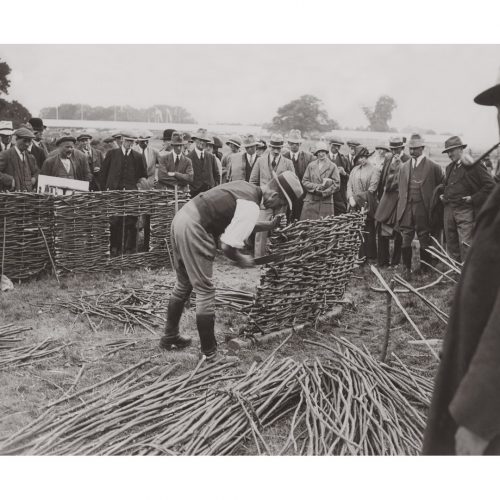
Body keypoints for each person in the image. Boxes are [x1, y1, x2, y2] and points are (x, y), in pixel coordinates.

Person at [422, 70, 500, 456]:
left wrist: (479, 415)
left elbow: (486, 190)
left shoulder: (475, 168)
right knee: (457, 251)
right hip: (469, 362)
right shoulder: (455, 169)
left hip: (485, 409)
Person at [158, 171, 304, 361]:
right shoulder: (251, 205)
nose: (280, 208)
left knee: (184, 284)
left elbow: (238, 221)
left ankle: (170, 337)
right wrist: (242, 259)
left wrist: (269, 226)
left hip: (182, 219)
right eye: (282, 203)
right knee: (205, 290)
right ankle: (210, 354)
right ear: (275, 195)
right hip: (195, 227)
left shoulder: (246, 188)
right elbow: (227, 246)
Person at [439, 136, 495, 262]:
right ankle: (454, 272)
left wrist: (473, 198)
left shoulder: (474, 165)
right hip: (449, 210)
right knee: (451, 242)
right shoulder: (449, 168)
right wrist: (444, 194)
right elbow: (448, 185)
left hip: (465, 211)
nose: (449, 154)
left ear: (460, 149)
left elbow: (491, 186)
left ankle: (466, 274)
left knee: (466, 244)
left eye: (451, 151)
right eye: (447, 152)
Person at [396, 133, 444, 276]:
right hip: (407, 207)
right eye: (410, 149)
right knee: (406, 236)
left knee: (424, 237)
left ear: (422, 148)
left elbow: (440, 186)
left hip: (423, 208)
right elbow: (401, 188)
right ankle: (407, 268)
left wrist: (435, 203)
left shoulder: (433, 167)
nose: (411, 152)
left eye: (415, 149)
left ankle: (424, 268)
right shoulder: (404, 167)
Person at [100, 132, 147, 255]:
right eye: (127, 141)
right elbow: (103, 173)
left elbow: (142, 174)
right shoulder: (112, 154)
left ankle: (128, 248)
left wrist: (136, 186)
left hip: (130, 193)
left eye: (132, 141)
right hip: (115, 193)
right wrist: (106, 190)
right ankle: (114, 247)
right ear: (122, 140)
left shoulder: (137, 156)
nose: (129, 143)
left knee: (130, 220)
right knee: (115, 220)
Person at [249, 133, 295, 258]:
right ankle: (259, 259)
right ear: (269, 146)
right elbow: (252, 182)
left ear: (282, 148)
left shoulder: (288, 163)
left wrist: (284, 201)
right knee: (261, 231)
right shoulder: (260, 161)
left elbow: (293, 184)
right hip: (264, 203)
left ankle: (277, 259)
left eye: (278, 148)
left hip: (281, 204)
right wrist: (258, 198)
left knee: (280, 231)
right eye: (273, 148)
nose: (275, 151)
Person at [375, 137, 410, 268]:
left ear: (402, 148)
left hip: (400, 199)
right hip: (386, 197)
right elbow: (383, 178)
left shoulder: (407, 160)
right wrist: (380, 196)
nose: (395, 151)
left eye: (397, 149)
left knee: (398, 231)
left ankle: (395, 262)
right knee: (382, 227)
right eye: (393, 149)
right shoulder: (388, 159)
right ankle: (382, 261)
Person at [347, 146, 380, 263]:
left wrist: (356, 198)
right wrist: (350, 197)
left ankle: (369, 256)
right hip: (354, 204)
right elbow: (349, 185)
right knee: (356, 228)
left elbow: (372, 190)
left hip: (367, 204)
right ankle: (358, 254)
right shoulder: (354, 170)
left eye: (364, 157)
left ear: (367, 157)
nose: (362, 160)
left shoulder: (374, 170)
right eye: (359, 157)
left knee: (368, 229)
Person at [300, 142, 340, 220]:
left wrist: (324, 192)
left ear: (326, 152)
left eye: (323, 152)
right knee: (307, 226)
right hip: (311, 200)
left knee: (324, 227)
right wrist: (316, 187)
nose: (321, 154)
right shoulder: (311, 165)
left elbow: (337, 184)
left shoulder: (332, 166)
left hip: (325, 202)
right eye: (319, 152)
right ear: (316, 153)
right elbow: (304, 181)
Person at [282, 129, 314, 221]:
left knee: (300, 217)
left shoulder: (308, 157)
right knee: (286, 217)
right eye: (292, 143)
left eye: (297, 143)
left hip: (302, 194)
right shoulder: (283, 157)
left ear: (300, 144)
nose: (294, 145)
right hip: (287, 194)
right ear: (288, 143)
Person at [187, 128, 220, 198]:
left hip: (210, 195)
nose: (202, 142)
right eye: (199, 140)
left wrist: (214, 189)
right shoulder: (188, 158)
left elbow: (216, 176)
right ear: (195, 140)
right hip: (194, 195)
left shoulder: (211, 157)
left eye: (204, 141)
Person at [327, 136, 351, 215]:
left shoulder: (344, 159)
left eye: (339, 146)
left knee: (340, 213)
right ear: (330, 144)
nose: (336, 148)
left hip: (339, 193)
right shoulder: (323, 156)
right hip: (325, 191)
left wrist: (344, 173)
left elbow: (350, 178)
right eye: (334, 145)